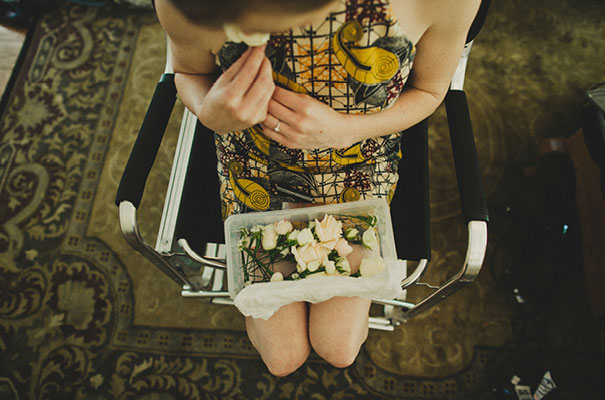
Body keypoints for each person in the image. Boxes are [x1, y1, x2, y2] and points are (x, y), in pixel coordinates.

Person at [155, 0, 481, 376]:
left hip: (358, 164)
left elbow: (430, 90)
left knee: (338, 347)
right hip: (253, 168)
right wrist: (208, 111)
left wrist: (347, 130)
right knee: (282, 358)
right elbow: (188, 72)